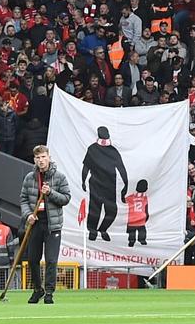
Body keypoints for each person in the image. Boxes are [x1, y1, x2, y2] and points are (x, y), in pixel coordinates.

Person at [19, 144, 72, 304]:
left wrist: (51, 193)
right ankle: (37, 289)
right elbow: (23, 199)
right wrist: (28, 215)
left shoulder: (59, 177)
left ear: (49, 157)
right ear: (34, 160)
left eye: (43, 157)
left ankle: (49, 292)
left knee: (51, 260)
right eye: (38, 158)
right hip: (35, 223)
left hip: (52, 224)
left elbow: (66, 198)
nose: (41, 160)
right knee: (32, 259)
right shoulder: (30, 178)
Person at [81, 125, 129, 243]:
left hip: (110, 186)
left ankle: (103, 229)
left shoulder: (113, 151)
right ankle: (92, 231)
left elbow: (122, 169)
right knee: (94, 210)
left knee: (112, 211)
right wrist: (83, 181)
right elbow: (86, 167)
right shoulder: (92, 149)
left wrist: (125, 185)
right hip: (95, 184)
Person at [125, 179, 150, 247]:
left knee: (132, 233)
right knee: (142, 231)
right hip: (141, 219)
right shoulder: (145, 198)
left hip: (131, 219)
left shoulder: (130, 197)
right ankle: (142, 240)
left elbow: (124, 201)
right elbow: (146, 208)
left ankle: (131, 241)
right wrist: (147, 216)